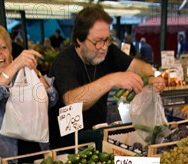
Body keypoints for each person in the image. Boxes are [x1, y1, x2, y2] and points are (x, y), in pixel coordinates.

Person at [49, 6, 164, 141]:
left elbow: (137, 66)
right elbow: (72, 100)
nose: (103, 47)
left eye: (107, 40)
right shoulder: (63, 62)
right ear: (79, 40)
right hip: (66, 145)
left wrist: (152, 76)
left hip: (98, 136)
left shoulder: (109, 51)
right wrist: (112, 79)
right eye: (97, 41)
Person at [0, 23, 58, 160]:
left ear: (10, 51)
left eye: (3, 47)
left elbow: (52, 100)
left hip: (39, 150)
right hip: (9, 158)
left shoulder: (24, 73)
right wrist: (14, 65)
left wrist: (37, 76)